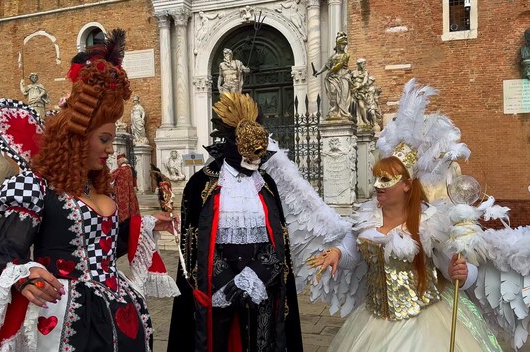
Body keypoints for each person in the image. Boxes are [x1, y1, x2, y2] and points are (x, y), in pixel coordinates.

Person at [0, 29, 178, 352]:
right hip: (63, 317)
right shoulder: (39, 190)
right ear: (77, 139)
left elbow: (101, 247)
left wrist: (143, 226)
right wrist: (25, 273)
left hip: (116, 309)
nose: (108, 149)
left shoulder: (97, 189)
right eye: (104, 140)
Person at [304, 80, 501, 352]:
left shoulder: (430, 223)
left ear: (407, 184)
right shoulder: (367, 218)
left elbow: (456, 271)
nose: (376, 185)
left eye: (385, 179)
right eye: (375, 178)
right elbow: (352, 250)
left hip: (423, 328)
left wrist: (464, 273)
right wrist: (337, 253)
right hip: (373, 323)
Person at [167, 92, 303, 352]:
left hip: (260, 288)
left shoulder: (266, 185)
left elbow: (278, 239)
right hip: (218, 291)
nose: (255, 164)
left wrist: (254, 278)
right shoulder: (200, 185)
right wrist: (227, 283)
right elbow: (195, 244)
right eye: (249, 157)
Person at [313, 32, 353, 121]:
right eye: (342, 44)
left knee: (343, 95)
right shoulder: (333, 57)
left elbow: (339, 64)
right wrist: (318, 73)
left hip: (343, 76)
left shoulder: (346, 55)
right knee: (333, 92)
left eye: (344, 44)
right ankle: (335, 110)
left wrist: (330, 71)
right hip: (333, 77)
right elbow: (326, 66)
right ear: (338, 45)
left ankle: (343, 113)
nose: (343, 46)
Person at [111, 153, 140, 223]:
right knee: (130, 203)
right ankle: (130, 218)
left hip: (121, 191)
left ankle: (122, 219)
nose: (117, 163)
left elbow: (110, 178)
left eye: (118, 161)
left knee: (122, 205)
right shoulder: (130, 169)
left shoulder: (119, 170)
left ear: (120, 161)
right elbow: (134, 179)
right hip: (130, 190)